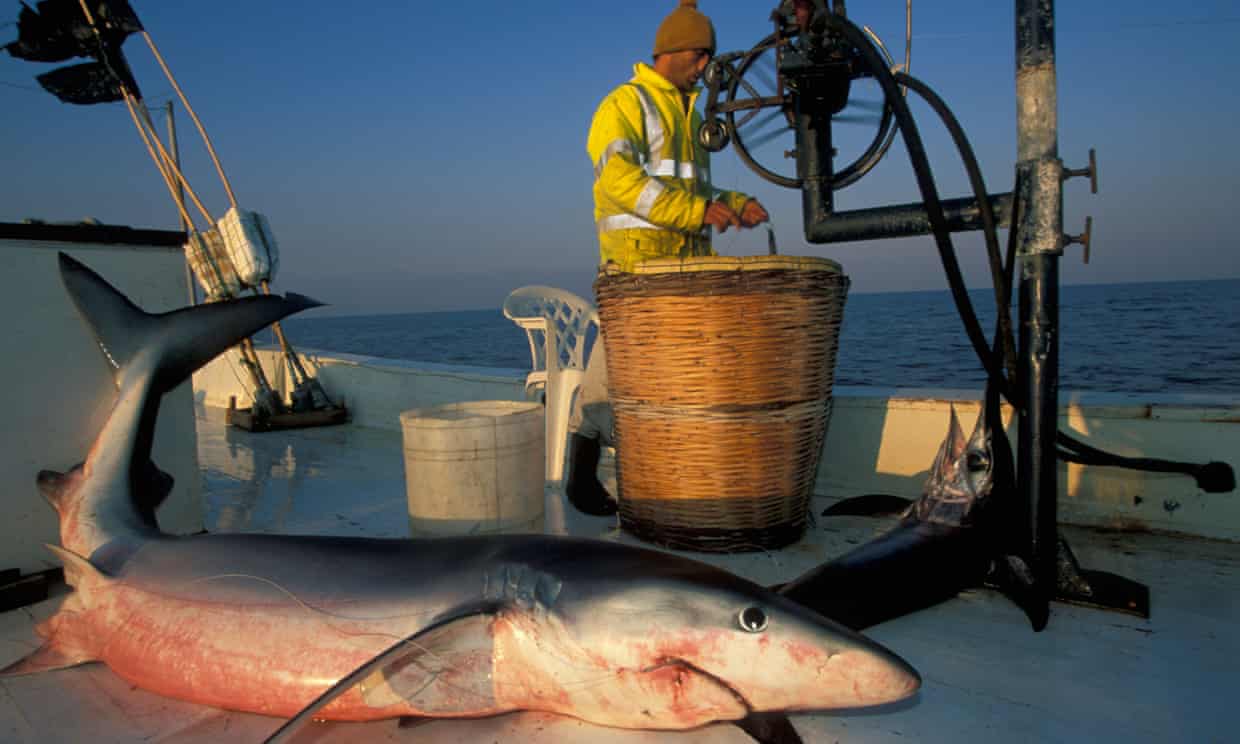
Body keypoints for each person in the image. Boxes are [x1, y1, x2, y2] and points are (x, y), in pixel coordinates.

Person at [566, 0, 770, 516]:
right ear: (672, 51)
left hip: (685, 272)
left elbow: (695, 188)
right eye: (700, 55)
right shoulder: (624, 104)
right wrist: (699, 211)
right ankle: (581, 474)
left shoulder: (691, 114)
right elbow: (619, 183)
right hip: (636, 270)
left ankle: (664, 475)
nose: (705, 66)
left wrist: (734, 203)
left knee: (666, 380)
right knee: (613, 376)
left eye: (708, 57)